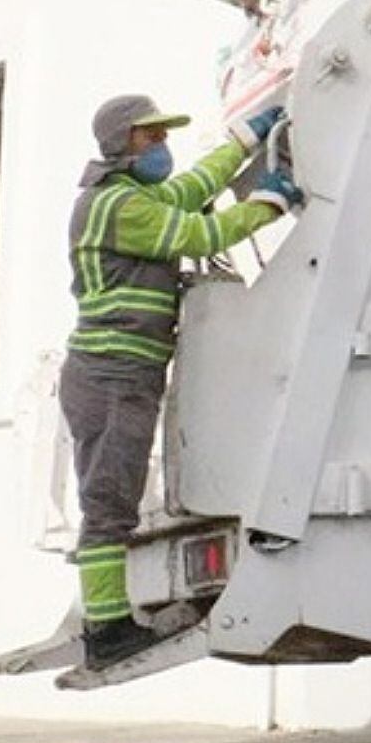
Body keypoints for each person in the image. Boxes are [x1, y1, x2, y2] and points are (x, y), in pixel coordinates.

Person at [60, 94, 302, 671]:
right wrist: (270, 201)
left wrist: (246, 139)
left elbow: (193, 188)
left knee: (111, 499)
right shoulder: (116, 205)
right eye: (152, 138)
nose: (163, 147)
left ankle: (108, 623)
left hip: (121, 372)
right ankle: (108, 632)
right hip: (112, 372)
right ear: (122, 143)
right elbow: (199, 234)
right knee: (109, 504)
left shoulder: (131, 196)